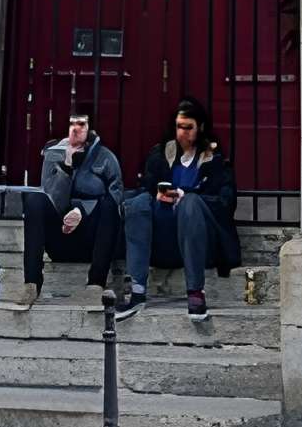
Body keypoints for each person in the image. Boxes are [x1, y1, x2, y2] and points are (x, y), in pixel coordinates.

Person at [116, 94, 238, 321]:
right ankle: (137, 291)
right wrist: (158, 195)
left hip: (199, 241)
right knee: (138, 202)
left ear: (200, 127)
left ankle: (195, 293)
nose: (183, 133)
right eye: (179, 127)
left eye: (189, 127)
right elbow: (147, 186)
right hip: (162, 237)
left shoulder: (215, 159)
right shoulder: (160, 153)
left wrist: (185, 195)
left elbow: (225, 202)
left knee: (190, 202)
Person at [18, 109, 125, 307]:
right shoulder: (53, 155)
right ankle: (31, 283)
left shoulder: (106, 158)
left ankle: (96, 284)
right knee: (35, 200)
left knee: (109, 205)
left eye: (81, 124)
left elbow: (117, 198)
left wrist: (81, 211)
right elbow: (53, 198)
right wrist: (66, 167)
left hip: (94, 241)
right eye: (72, 124)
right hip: (62, 237)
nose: (76, 130)